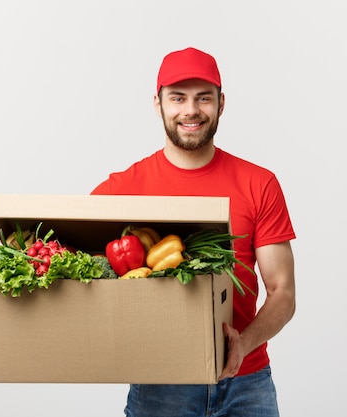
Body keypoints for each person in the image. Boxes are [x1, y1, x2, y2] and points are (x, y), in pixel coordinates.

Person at [91, 46, 296, 417]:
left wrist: (243, 344)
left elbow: (283, 292)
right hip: (159, 384)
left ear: (221, 103)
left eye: (204, 98)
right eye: (178, 98)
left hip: (246, 383)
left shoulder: (259, 184)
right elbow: (79, 267)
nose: (191, 110)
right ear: (158, 104)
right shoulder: (123, 189)